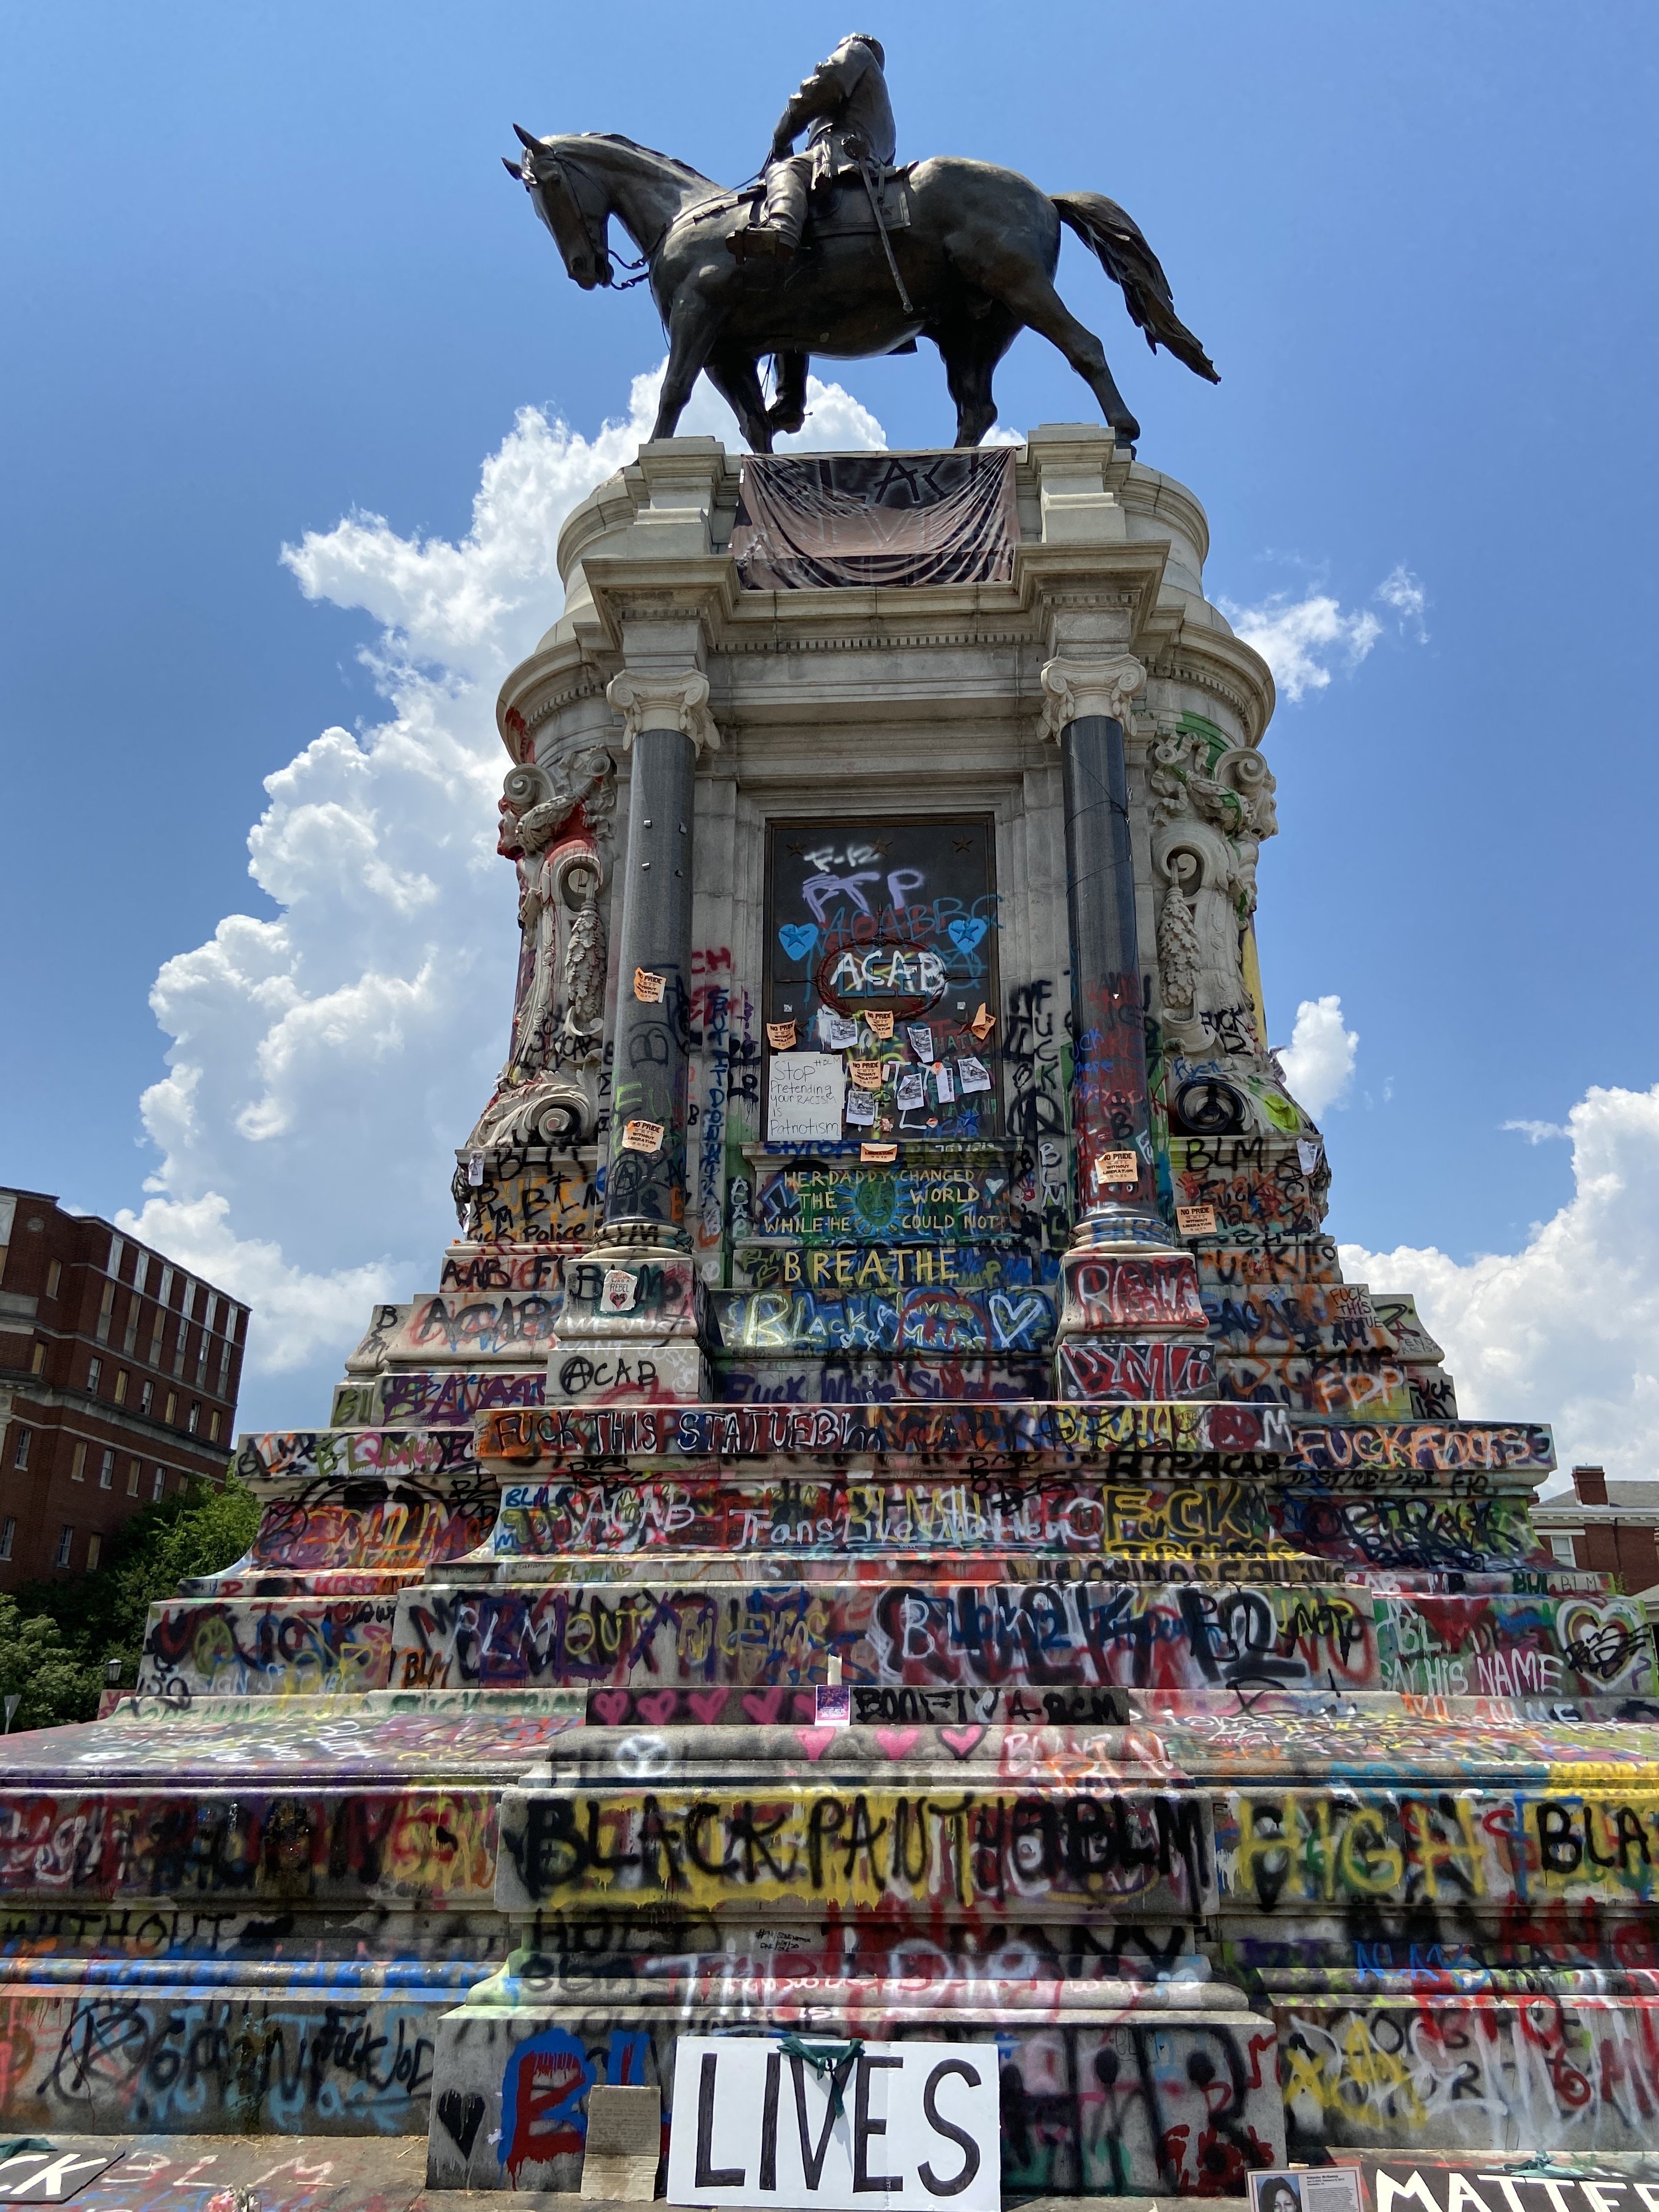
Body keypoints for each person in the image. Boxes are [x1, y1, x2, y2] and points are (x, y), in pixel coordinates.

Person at [733, 32, 896, 264]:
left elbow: (820, 89)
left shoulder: (857, 51)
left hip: (839, 152)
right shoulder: (884, 112)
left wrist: (781, 138)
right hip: (868, 167)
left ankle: (782, 229)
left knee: (785, 170)